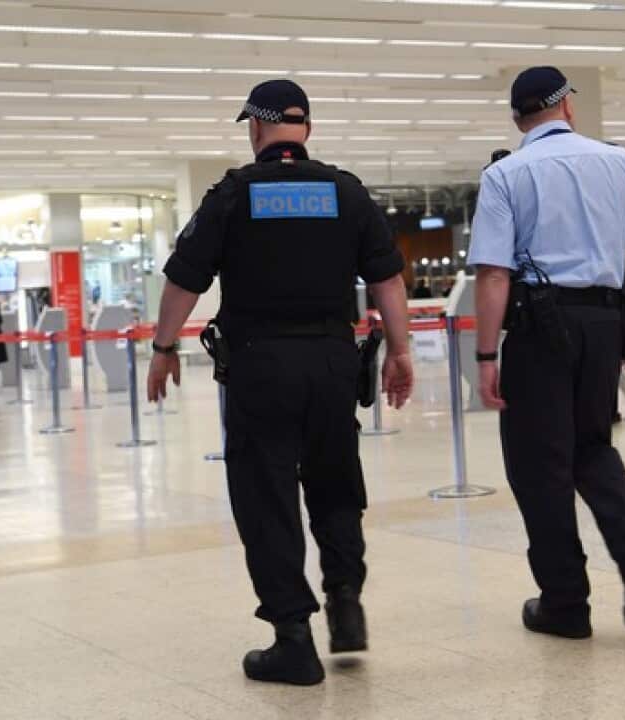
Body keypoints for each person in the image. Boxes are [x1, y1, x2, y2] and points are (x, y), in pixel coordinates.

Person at [145, 79, 414, 686]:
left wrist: (163, 349)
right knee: (335, 485)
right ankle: (345, 600)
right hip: (331, 365)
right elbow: (388, 282)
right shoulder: (346, 193)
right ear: (307, 130)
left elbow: (184, 281)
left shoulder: (234, 194)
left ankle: (293, 638)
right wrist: (400, 351)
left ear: (256, 128)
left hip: (260, 367)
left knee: (267, 498)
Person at [469, 66, 625, 641]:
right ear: (567, 108)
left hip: (540, 328)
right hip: (605, 323)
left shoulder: (506, 174)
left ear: (517, 119)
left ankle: (565, 603)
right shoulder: (617, 162)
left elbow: (492, 274)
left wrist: (486, 357)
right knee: (591, 446)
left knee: (540, 465)